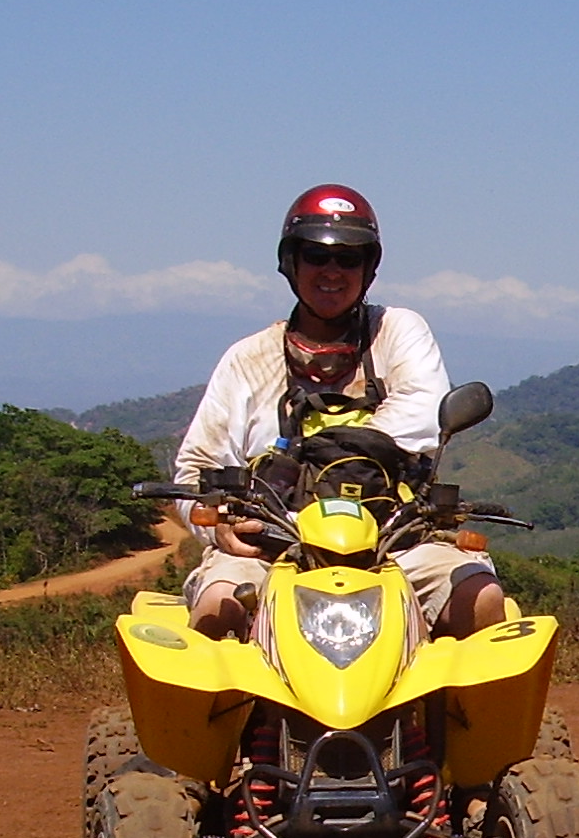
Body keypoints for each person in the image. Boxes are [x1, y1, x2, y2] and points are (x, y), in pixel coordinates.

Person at [174, 184, 505, 640]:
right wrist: (220, 532)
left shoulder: (397, 331)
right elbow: (196, 466)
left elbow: (422, 415)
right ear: (291, 262)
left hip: (395, 540)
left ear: (368, 268)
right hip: (273, 542)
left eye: (348, 259)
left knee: (481, 600)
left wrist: (323, 456)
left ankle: (458, 692)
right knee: (218, 609)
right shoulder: (247, 359)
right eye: (316, 255)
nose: (332, 271)